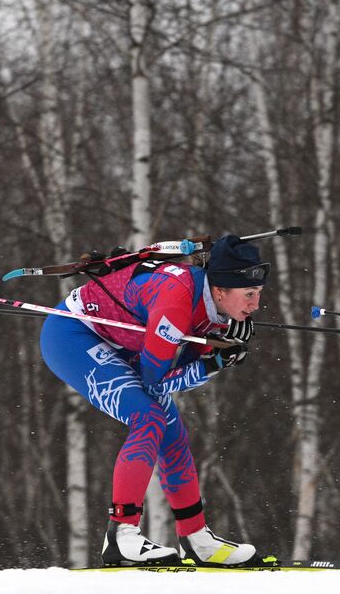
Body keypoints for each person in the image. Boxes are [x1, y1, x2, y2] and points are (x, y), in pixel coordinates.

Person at [39, 233, 268, 566]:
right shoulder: (176, 302)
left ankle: (196, 539)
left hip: (124, 342)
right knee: (148, 417)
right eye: (248, 294)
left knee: (172, 433)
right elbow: (155, 382)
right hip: (74, 336)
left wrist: (214, 344)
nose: (255, 305)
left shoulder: (214, 306)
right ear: (220, 290)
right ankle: (121, 535)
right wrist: (213, 363)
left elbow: (182, 362)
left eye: (258, 293)